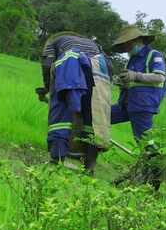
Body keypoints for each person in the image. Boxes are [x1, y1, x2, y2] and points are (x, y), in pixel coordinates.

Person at [37, 31, 112, 174]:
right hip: (100, 70)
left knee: (60, 114)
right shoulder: (93, 44)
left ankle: (56, 158)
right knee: (93, 119)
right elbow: (109, 66)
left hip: (71, 65)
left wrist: (47, 88)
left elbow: (47, 64)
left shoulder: (54, 42)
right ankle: (89, 166)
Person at [110, 26, 166, 142]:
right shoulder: (131, 60)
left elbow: (160, 77)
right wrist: (122, 82)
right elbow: (131, 83)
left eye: (127, 44)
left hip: (143, 104)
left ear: (137, 41)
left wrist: (136, 76)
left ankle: (153, 159)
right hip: (125, 104)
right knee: (102, 115)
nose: (126, 49)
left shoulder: (154, 55)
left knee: (143, 140)